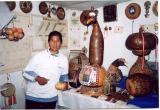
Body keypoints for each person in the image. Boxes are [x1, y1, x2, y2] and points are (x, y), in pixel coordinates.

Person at [23, 31, 68, 109]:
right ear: (48, 42)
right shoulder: (39, 56)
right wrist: (37, 78)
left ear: (61, 43)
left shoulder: (64, 59)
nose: (55, 43)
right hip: (33, 97)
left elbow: (63, 76)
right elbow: (25, 72)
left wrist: (65, 84)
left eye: (57, 41)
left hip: (51, 98)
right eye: (52, 40)